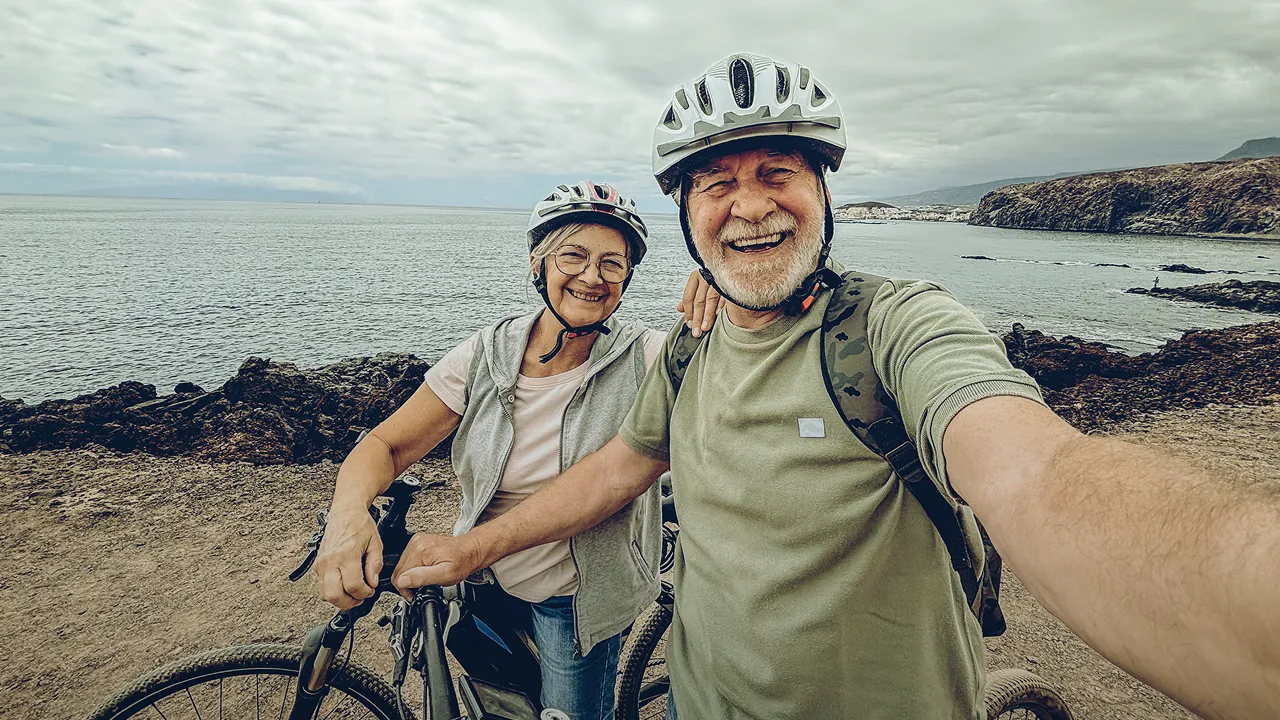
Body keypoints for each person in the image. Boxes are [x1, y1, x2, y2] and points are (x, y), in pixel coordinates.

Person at [391, 56, 1280, 719]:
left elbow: (1036, 474)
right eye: (718, 184)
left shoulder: (895, 328)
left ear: (824, 190)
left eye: (778, 172)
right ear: (689, 218)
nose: (749, 205)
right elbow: (623, 466)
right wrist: (476, 549)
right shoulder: (688, 350)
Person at [311, 180, 721, 720]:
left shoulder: (647, 356)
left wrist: (726, 296)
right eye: (572, 255)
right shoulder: (487, 353)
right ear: (537, 263)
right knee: (505, 705)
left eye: (612, 263)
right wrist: (347, 515)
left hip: (575, 599)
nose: (592, 276)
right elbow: (386, 444)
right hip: (484, 580)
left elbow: (726, 366)